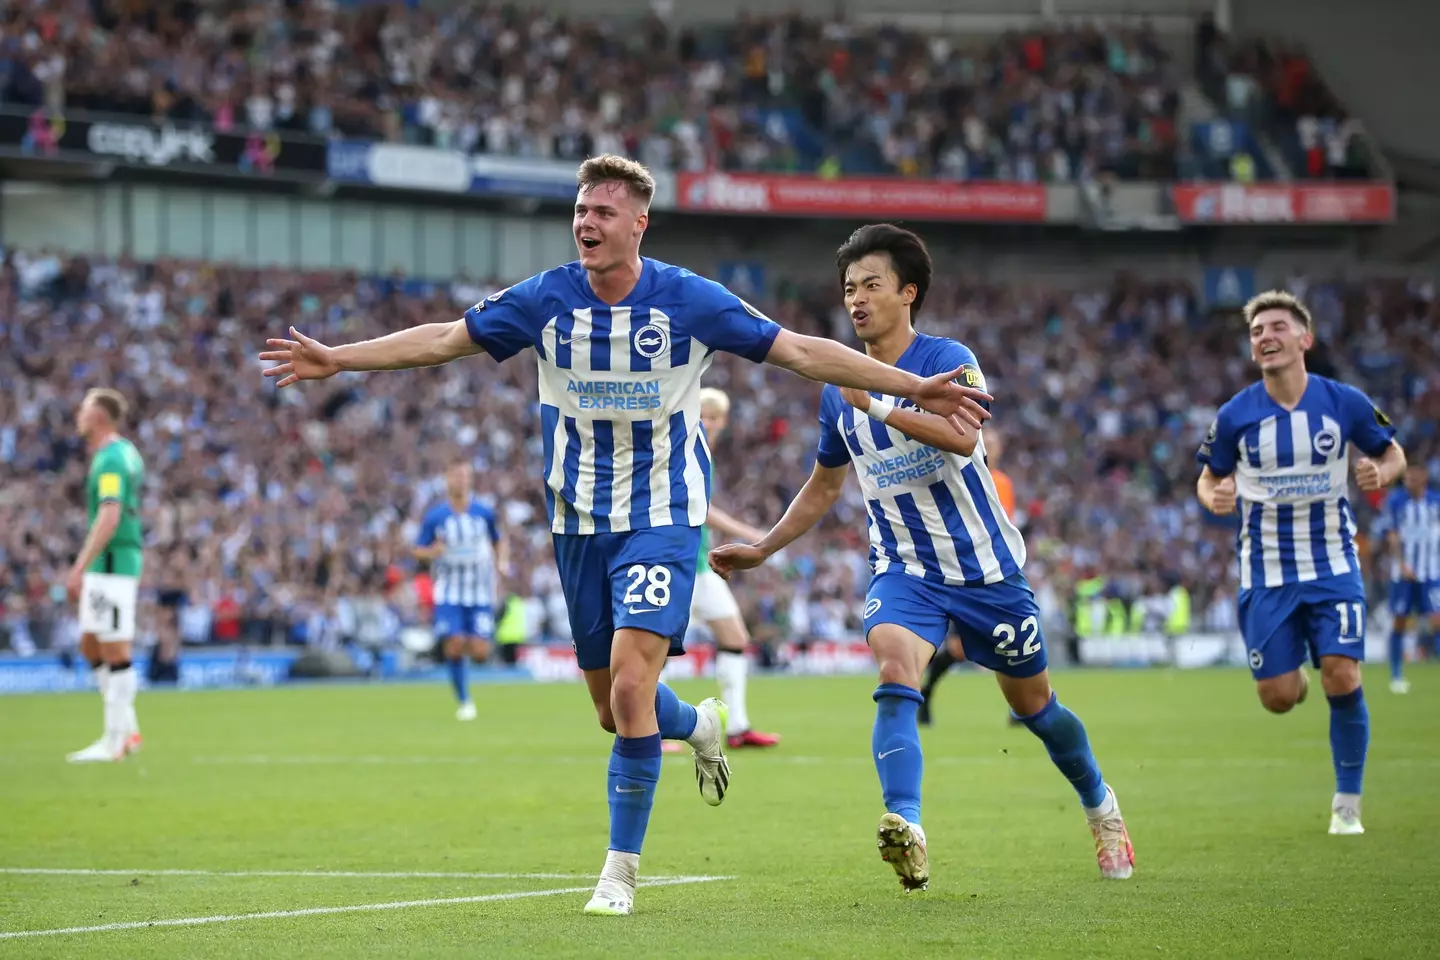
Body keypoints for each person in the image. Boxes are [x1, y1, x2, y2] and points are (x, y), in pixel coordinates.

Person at [259, 157, 992, 916]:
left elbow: (801, 350)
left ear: (638, 224)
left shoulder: (689, 300)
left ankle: (618, 873)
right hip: (578, 525)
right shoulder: (544, 300)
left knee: (636, 686)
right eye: (581, 210)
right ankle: (701, 723)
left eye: (604, 212)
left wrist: (911, 385)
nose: (587, 223)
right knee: (614, 711)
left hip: (665, 518)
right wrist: (336, 358)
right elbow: (446, 339)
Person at [710, 223, 1134, 892]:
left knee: (1037, 709)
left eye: (871, 285)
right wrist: (764, 546)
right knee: (895, 664)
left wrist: (879, 405)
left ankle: (1102, 808)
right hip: (905, 570)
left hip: (988, 572)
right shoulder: (836, 388)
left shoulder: (949, 359)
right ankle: (908, 826)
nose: (856, 298)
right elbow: (824, 485)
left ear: (908, 292)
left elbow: (963, 438)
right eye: (848, 287)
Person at [1196, 290, 1407, 836]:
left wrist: (1382, 474)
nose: (1265, 336)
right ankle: (1295, 677)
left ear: (1304, 339)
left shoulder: (1345, 403)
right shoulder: (1236, 415)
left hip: (1334, 565)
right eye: (1256, 331)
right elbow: (1209, 475)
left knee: (1342, 673)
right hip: (1266, 575)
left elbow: (1393, 452)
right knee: (1279, 698)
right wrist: (1212, 495)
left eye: (1276, 327)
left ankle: (1348, 803)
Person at [687, 388, 780, 749]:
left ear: (723, 422)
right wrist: (750, 534)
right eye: (702, 416)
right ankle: (646, 728)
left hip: (699, 566)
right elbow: (701, 509)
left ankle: (738, 728)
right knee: (656, 647)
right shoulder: (684, 448)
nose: (707, 423)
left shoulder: (703, 454)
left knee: (735, 640)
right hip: (679, 564)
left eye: (713, 417)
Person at [65, 388, 147, 764]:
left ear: (98, 416)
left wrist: (80, 564)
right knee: (90, 643)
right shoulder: (122, 452)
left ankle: (115, 742)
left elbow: (110, 514)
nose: (78, 416)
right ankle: (126, 729)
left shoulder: (111, 458)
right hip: (108, 563)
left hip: (112, 561)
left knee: (115, 647)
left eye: (84, 410)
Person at [916, 427, 1016, 726]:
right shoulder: (961, 474)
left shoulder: (1003, 483)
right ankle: (925, 694)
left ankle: (1022, 708)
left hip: (997, 572)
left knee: (1012, 638)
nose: (992, 447)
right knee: (959, 649)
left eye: (997, 442)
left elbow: (1004, 527)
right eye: (989, 442)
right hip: (962, 571)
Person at [414, 461, 506, 720]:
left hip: (479, 592)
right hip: (449, 591)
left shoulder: (483, 513)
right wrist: (433, 552)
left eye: (465, 475)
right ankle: (465, 700)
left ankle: (452, 642)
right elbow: (418, 550)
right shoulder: (436, 516)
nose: (460, 480)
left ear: (470, 479)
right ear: (447, 479)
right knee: (454, 645)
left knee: (480, 652)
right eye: (455, 475)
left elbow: (499, 541)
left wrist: (500, 564)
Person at [1378, 463, 1440, 693]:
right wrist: (1402, 564)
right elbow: (1392, 535)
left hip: (1431, 571)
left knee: (1436, 620)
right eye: (1406, 478)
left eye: (1413, 478)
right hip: (1402, 573)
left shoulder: (1435, 501)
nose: (1408, 482)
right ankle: (1396, 674)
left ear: (1423, 477)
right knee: (1400, 621)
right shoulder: (1396, 501)